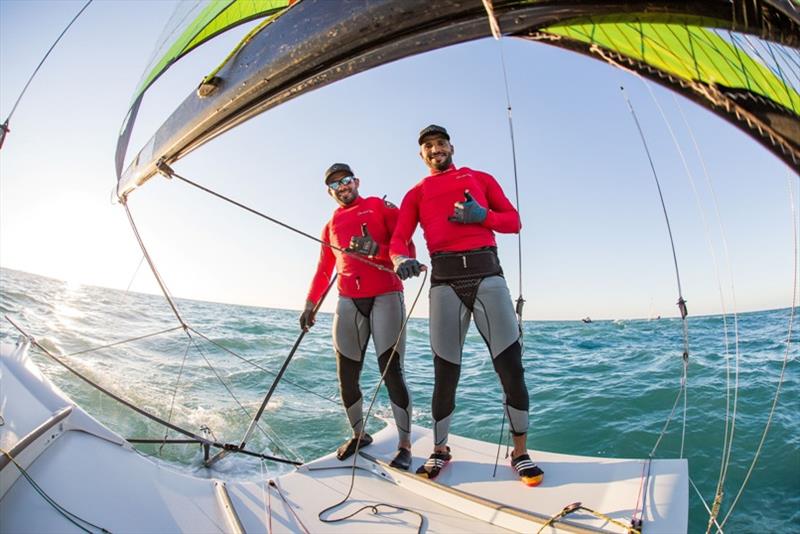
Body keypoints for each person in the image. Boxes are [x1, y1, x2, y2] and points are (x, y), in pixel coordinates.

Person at [389, 125, 543, 486]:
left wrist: (482, 216)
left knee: (511, 368)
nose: (435, 149)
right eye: (428, 146)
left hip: (487, 274)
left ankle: (520, 453)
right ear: (421, 154)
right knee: (445, 374)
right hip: (443, 282)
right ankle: (440, 449)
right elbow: (398, 240)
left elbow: (514, 222)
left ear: (451, 146)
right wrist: (399, 261)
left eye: (440, 143)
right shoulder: (415, 193)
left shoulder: (480, 178)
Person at [300, 162, 414, 470]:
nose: (343, 187)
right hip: (349, 299)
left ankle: (404, 444)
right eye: (336, 185)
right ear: (330, 192)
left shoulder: (379, 207)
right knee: (346, 375)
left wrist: (376, 249)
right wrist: (310, 304)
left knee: (391, 371)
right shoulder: (330, 226)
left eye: (346, 180)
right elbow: (325, 269)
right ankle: (359, 434)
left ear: (357, 181)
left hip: (386, 295)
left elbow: (407, 246)